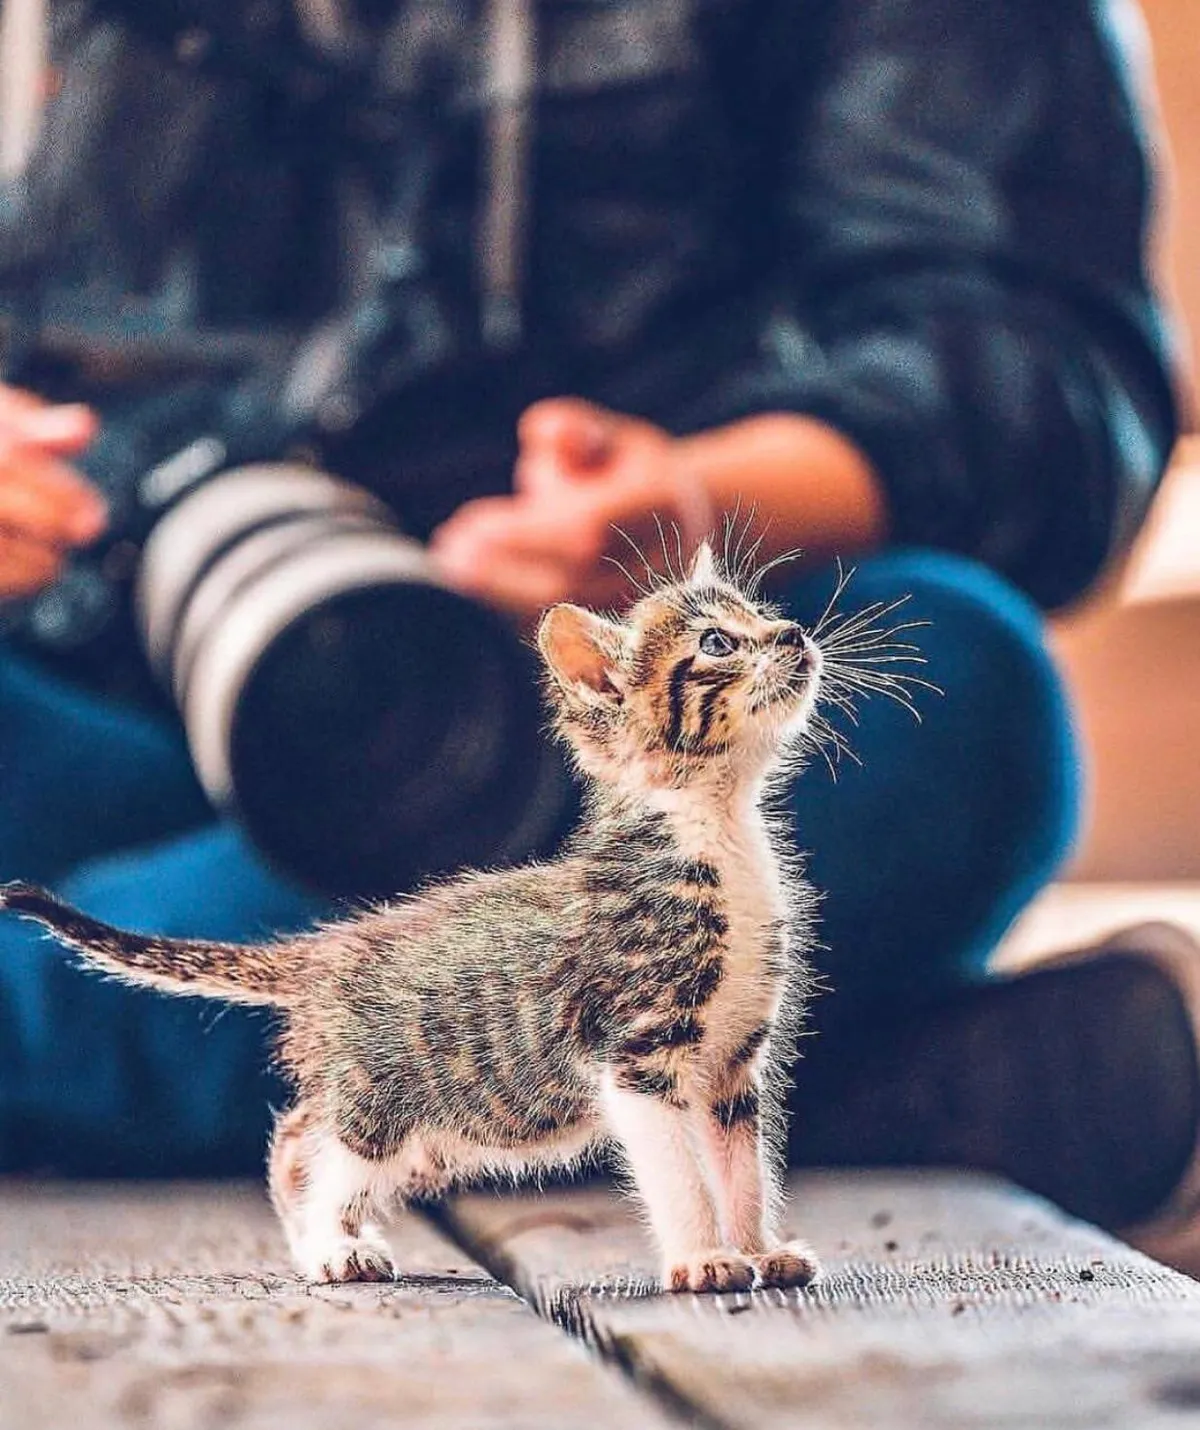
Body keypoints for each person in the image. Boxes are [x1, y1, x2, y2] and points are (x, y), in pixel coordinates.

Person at [0, 0, 1196, 1263]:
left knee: (951, 692)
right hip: (129, 716)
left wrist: (692, 507)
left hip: (570, 785)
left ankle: (64, 1039)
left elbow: (1047, 380)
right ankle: (878, 1100)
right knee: (691, 976)